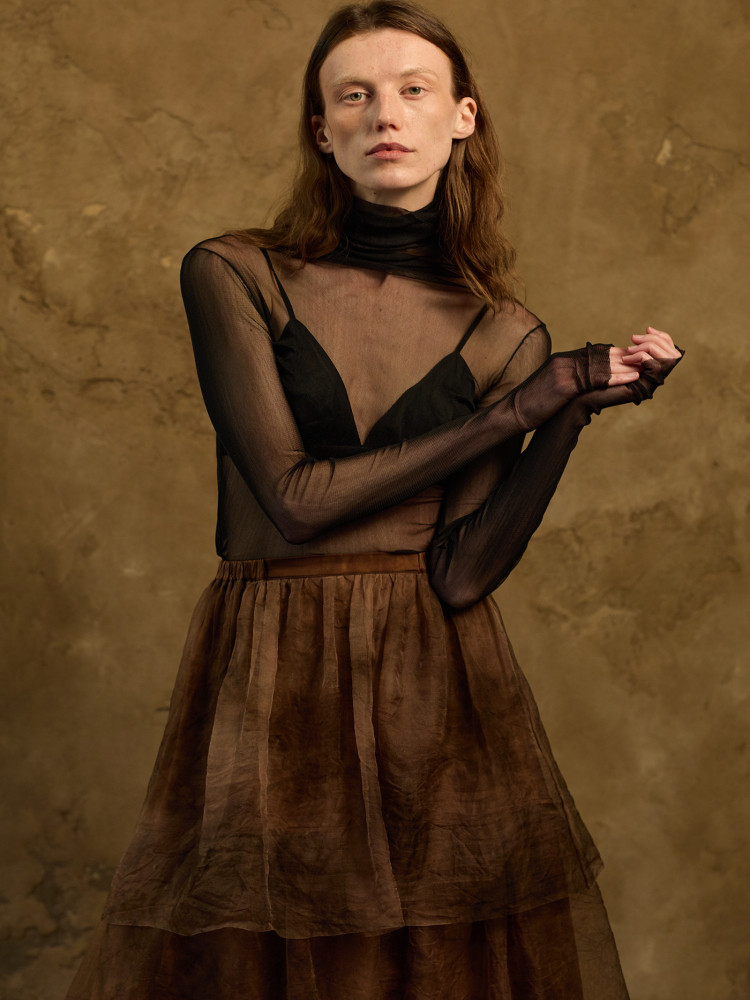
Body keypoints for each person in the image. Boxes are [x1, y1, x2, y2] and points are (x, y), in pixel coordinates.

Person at [65, 2, 682, 997]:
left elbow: (462, 574)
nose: (383, 114)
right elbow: (293, 502)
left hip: (434, 681)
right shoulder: (235, 273)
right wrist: (520, 407)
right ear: (322, 129)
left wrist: (567, 413)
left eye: (412, 89)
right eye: (353, 95)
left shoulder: (505, 332)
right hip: (270, 661)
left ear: (462, 117)